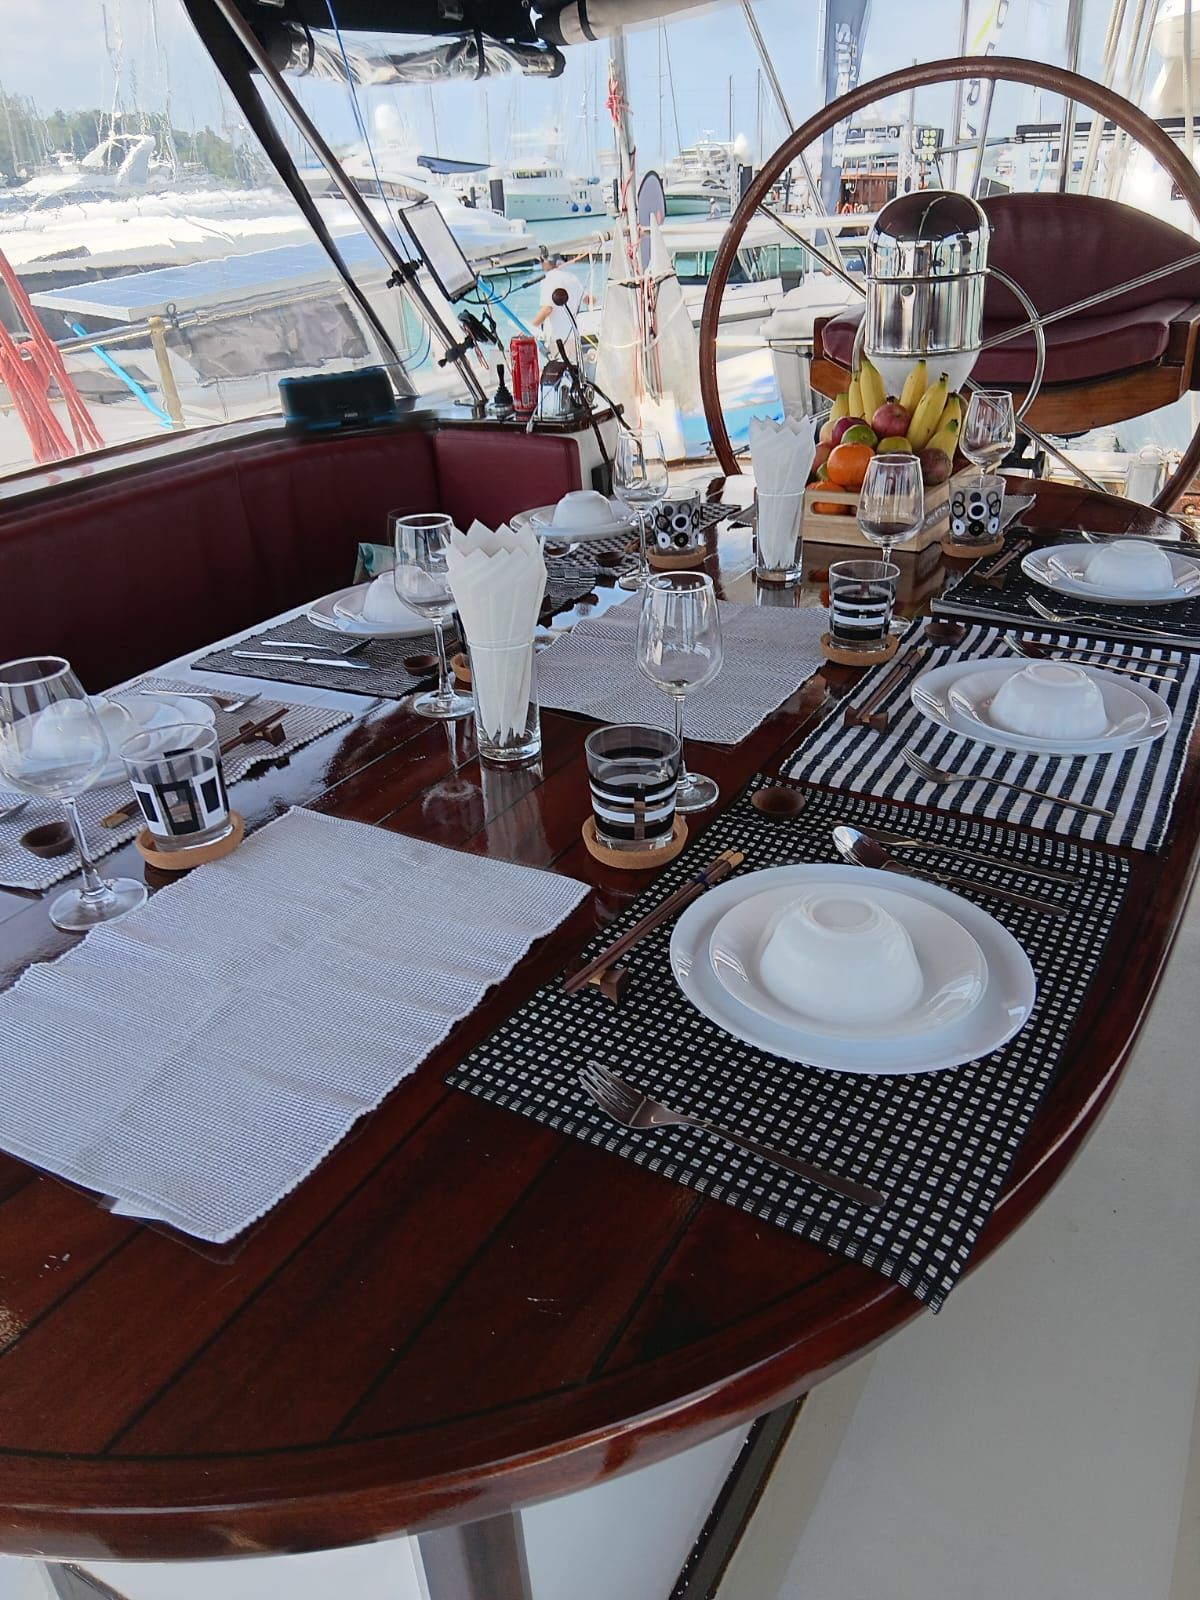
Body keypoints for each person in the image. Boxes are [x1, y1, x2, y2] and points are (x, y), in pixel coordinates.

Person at [532, 254, 590, 356]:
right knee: (574, 369)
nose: (540, 264)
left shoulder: (548, 279)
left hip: (557, 338)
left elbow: (547, 309)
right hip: (573, 335)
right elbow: (588, 300)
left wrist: (531, 328)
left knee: (558, 369)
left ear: (547, 262)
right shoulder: (572, 278)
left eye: (541, 261)